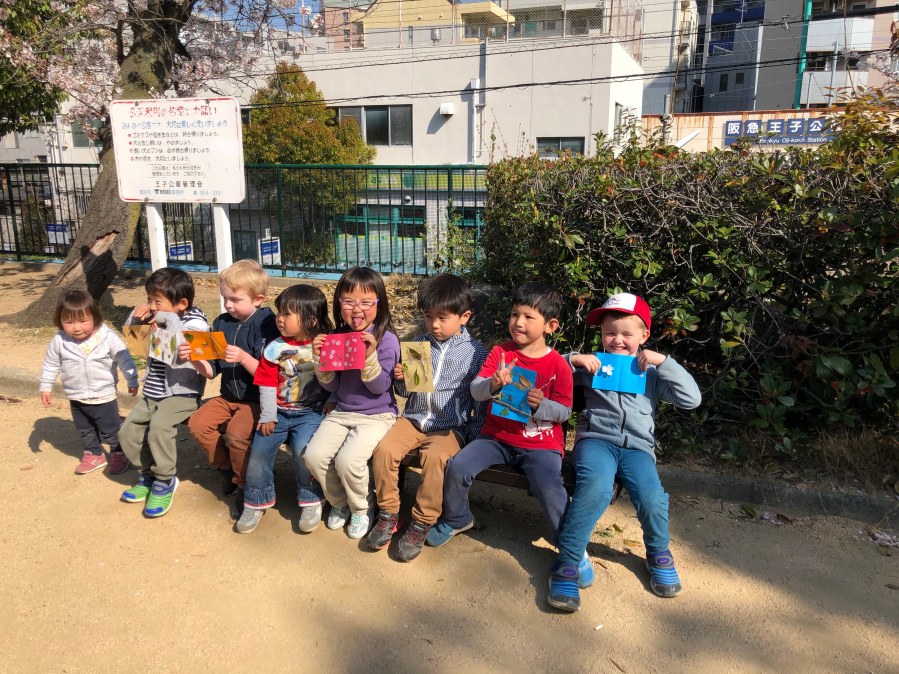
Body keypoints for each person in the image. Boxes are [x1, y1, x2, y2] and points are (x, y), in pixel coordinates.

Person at [547, 292, 702, 612]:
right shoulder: (593, 365)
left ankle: (658, 553)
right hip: (596, 442)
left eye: (627, 334)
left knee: (651, 496)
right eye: (609, 333)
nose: (617, 340)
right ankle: (568, 562)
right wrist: (573, 359)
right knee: (595, 490)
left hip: (638, 449)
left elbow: (691, 400)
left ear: (644, 335)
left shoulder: (652, 371)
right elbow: (546, 369)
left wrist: (664, 362)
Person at [426, 282, 575, 555]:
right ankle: (458, 518)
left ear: (550, 326)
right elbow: (476, 390)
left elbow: (565, 411)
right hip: (495, 438)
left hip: (541, 445)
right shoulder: (500, 353)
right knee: (458, 467)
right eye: (514, 314)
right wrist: (493, 384)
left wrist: (541, 406)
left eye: (528, 317)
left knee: (550, 486)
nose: (518, 322)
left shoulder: (558, 365)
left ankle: (570, 547)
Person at [367, 273, 488, 561]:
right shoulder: (418, 345)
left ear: (464, 317)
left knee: (436, 459)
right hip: (413, 419)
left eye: (442, 318)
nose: (434, 324)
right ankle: (388, 513)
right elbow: (406, 392)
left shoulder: (476, 353)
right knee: (384, 450)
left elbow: (480, 401)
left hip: (450, 427)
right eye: (428, 316)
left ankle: (422, 522)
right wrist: (400, 379)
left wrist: (473, 435)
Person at [304, 266, 400, 539]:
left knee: (348, 461)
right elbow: (333, 387)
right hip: (342, 411)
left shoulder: (386, 340)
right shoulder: (338, 338)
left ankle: (361, 508)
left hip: (377, 415)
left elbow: (380, 387)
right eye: (349, 301)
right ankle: (340, 502)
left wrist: (369, 357)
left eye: (366, 302)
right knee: (314, 457)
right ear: (339, 303)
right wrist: (321, 361)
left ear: (379, 304)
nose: (357, 309)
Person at [235, 284, 332, 534]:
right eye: (279, 312)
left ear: (311, 319)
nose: (279, 318)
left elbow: (335, 378)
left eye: (287, 314)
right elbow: (266, 382)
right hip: (277, 411)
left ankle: (311, 499)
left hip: (311, 412)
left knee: (303, 450)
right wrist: (268, 414)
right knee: (259, 451)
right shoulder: (274, 348)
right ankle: (256, 500)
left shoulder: (324, 344)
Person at [183, 260, 277, 516]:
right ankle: (225, 468)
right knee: (198, 423)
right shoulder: (221, 322)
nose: (228, 305)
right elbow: (211, 371)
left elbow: (270, 374)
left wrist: (244, 358)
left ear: (258, 299)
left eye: (235, 299)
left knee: (237, 433)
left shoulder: (267, 324)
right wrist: (193, 358)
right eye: (225, 298)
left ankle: (246, 484)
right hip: (227, 396)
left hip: (257, 399)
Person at [119, 267, 209, 518]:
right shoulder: (158, 318)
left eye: (157, 302)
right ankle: (148, 474)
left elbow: (176, 349)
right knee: (129, 431)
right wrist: (137, 320)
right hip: (153, 390)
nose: (151, 306)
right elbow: (137, 345)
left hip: (183, 393)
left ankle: (165, 479)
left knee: (159, 427)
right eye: (149, 300)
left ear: (182, 304)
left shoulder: (197, 323)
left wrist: (164, 319)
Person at [39, 290, 139, 475]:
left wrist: (132, 379)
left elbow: (123, 358)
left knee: (111, 430)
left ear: (95, 317)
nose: (76, 327)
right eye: (69, 322)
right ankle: (94, 454)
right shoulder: (60, 340)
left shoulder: (107, 337)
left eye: (83, 321)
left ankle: (120, 454)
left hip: (103, 396)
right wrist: (46, 386)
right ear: (60, 321)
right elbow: (50, 364)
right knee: (85, 429)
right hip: (76, 396)